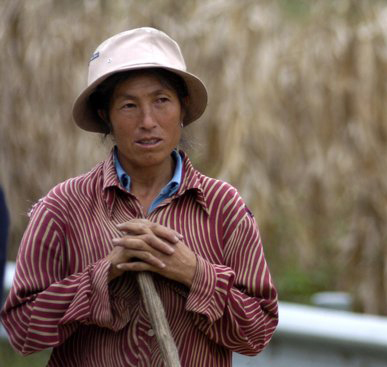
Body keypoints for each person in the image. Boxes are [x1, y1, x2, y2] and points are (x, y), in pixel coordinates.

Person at [1, 27, 278, 366]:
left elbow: (258, 333)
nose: (148, 121)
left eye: (161, 101)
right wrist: (105, 272)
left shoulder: (224, 206)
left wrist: (193, 272)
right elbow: (22, 331)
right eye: (129, 105)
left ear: (183, 108)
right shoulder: (63, 206)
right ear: (106, 116)